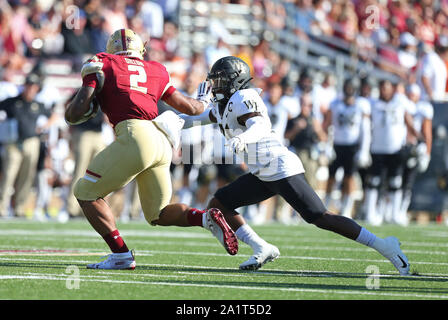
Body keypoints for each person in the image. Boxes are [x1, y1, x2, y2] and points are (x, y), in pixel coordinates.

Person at [180, 56, 411, 275]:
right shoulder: (223, 105)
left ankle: (384, 245)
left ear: (235, 80)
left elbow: (259, 125)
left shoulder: (243, 97)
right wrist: (159, 122)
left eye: (220, 81)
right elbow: (190, 120)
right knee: (219, 204)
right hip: (263, 172)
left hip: (279, 167)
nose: (215, 86)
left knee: (320, 217)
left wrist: (243, 138)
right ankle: (262, 248)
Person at [64, 29, 238, 270]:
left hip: (135, 136)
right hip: (161, 140)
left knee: (85, 192)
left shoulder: (103, 62)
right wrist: (204, 100)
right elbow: (192, 108)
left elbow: (72, 115)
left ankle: (121, 255)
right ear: (140, 49)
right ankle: (205, 218)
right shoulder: (156, 69)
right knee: (159, 213)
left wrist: (88, 88)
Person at [0, 73, 58, 217]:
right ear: (24, 86)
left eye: (33, 86)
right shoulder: (12, 102)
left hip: (32, 142)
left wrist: (45, 126)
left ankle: (19, 208)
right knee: (9, 175)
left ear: (37, 88)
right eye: (28, 85)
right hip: (13, 143)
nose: (30, 88)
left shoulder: (38, 105)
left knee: (26, 177)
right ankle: (2, 208)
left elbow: (54, 115)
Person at [363, 80, 418, 226]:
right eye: (382, 88)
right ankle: (371, 213)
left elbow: (410, 120)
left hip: (395, 149)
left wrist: (419, 140)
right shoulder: (373, 104)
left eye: (387, 88)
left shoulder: (400, 103)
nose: (384, 91)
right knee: (374, 181)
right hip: (377, 148)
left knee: (395, 181)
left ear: (392, 90)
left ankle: (395, 214)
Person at [322, 79, 371, 218]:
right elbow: (328, 126)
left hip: (352, 146)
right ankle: (325, 206)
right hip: (337, 145)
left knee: (349, 178)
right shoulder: (335, 104)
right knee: (331, 177)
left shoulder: (362, 105)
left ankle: (346, 208)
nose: (349, 90)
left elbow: (365, 130)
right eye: (347, 87)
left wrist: (364, 150)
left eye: (351, 87)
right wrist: (328, 146)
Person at [399, 84, 433, 225]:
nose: (411, 96)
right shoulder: (400, 103)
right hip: (398, 146)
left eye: (414, 94)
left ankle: (401, 211)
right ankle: (389, 210)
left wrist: (427, 151)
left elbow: (427, 130)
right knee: (394, 179)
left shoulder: (422, 108)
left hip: (413, 147)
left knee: (408, 181)